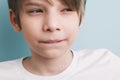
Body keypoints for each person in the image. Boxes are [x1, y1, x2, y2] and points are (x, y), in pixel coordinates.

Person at [0, 0, 120, 80]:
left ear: (81, 18)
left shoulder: (109, 66)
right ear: (15, 20)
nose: (52, 25)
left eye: (67, 9)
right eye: (36, 11)